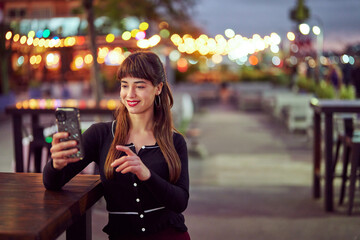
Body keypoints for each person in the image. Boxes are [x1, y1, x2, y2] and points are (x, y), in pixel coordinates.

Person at [43, 51, 190, 240]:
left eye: (140, 86)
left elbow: (180, 202)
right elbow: (52, 183)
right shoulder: (101, 134)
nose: (130, 94)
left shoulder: (175, 141)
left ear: (158, 88)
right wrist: (56, 164)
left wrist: (146, 175)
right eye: (124, 85)